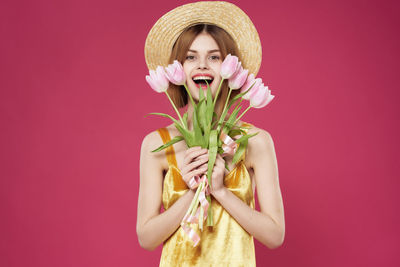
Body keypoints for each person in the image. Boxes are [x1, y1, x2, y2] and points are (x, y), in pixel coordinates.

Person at [137, 2, 285, 266]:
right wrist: (193, 191)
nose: (202, 66)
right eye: (190, 57)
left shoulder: (257, 142)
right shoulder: (155, 144)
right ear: (178, 69)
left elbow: (275, 235)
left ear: (231, 68)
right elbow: (146, 238)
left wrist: (220, 191)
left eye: (214, 57)